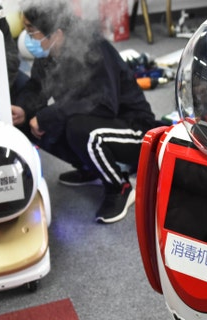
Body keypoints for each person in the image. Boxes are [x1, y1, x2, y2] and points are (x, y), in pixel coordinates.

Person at [15, 0, 160, 224]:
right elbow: (36, 88)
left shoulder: (93, 48)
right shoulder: (49, 55)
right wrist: (23, 109)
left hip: (135, 131)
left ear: (57, 33)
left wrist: (46, 117)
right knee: (29, 123)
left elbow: (102, 104)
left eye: (31, 31)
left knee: (76, 127)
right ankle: (90, 166)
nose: (27, 38)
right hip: (95, 124)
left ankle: (119, 187)